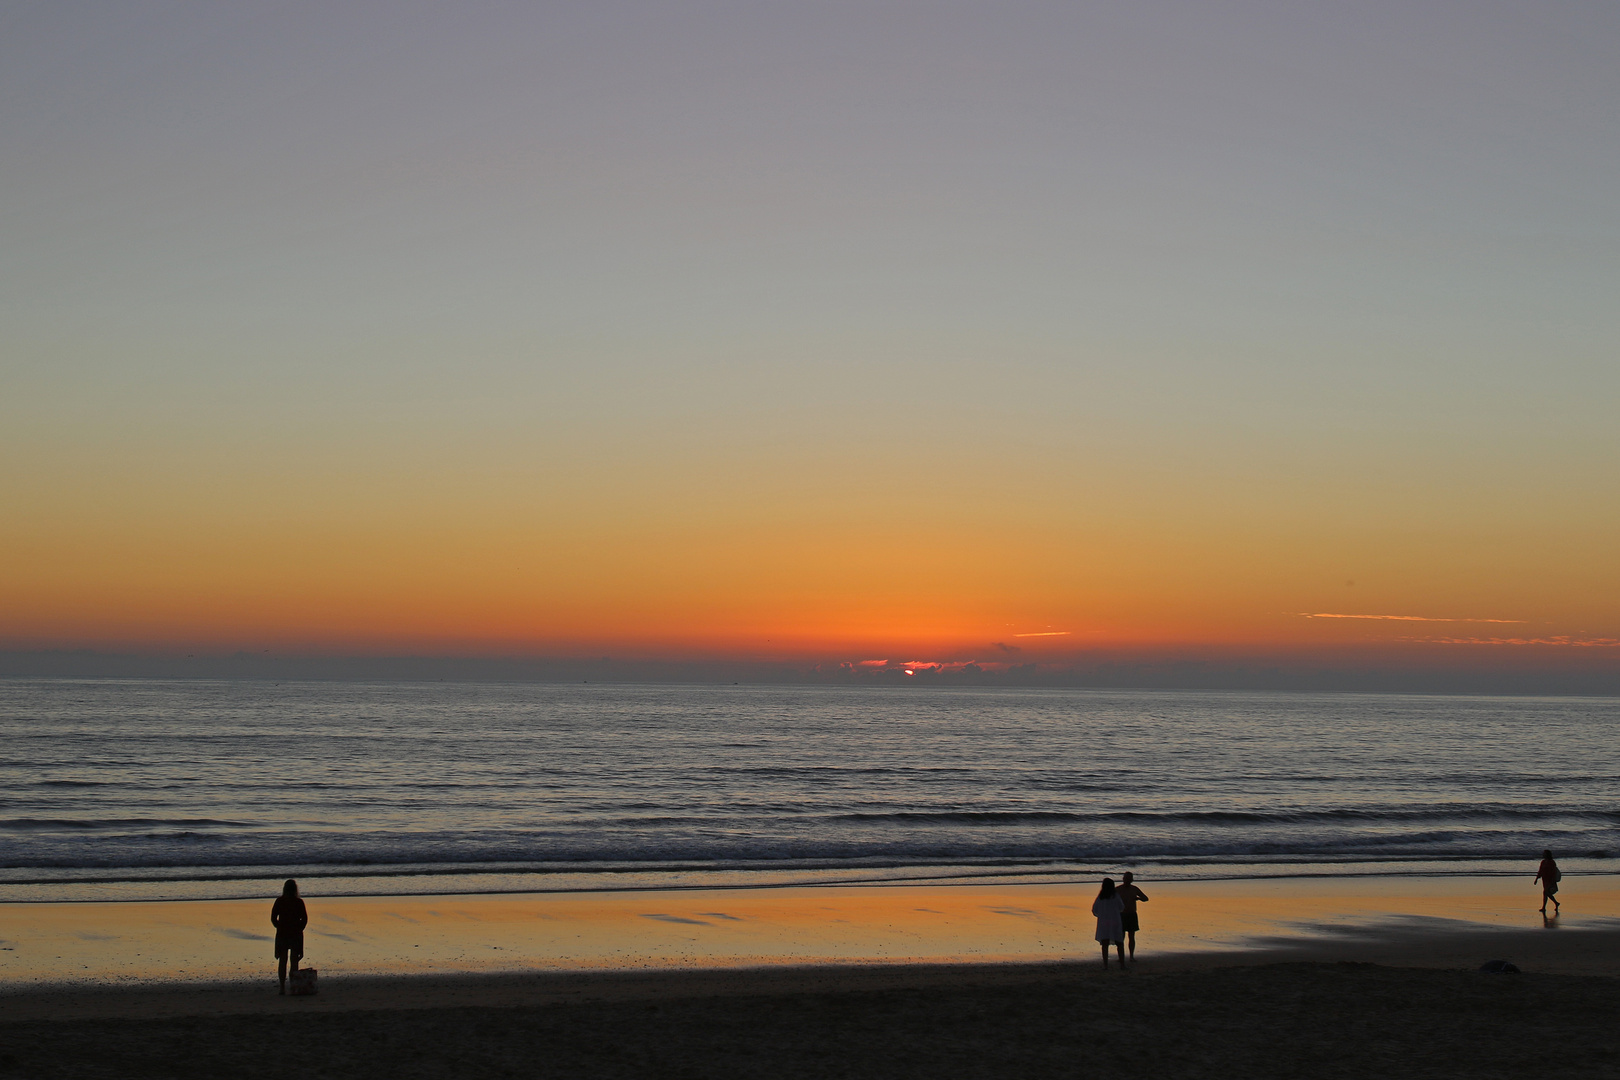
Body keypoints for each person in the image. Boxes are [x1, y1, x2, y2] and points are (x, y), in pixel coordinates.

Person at [270, 879, 309, 995]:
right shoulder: (299, 902)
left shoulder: (279, 901)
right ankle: (293, 986)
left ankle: (282, 987)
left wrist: (279, 926)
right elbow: (305, 919)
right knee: (294, 961)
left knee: (282, 960)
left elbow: (273, 918)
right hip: (295, 933)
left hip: (282, 933)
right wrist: (299, 929)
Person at [1092, 877, 1125, 969]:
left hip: (1104, 922)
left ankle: (1105, 965)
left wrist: (1101, 915)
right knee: (1119, 943)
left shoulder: (1100, 897)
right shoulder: (1116, 896)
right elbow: (1121, 907)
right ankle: (1122, 964)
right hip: (1115, 921)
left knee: (1105, 945)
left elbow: (1095, 910)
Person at [1116, 871, 1149, 961]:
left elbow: (1146, 898)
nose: (1127, 880)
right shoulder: (1118, 889)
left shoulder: (1134, 889)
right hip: (1122, 914)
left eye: (1129, 879)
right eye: (1125, 878)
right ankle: (1121, 957)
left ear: (1132, 880)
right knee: (1121, 937)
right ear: (1123, 879)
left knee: (1131, 936)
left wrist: (1138, 898)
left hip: (1132, 914)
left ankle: (1131, 956)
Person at [1534, 850, 1561, 914]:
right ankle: (1546, 907)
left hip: (1550, 880)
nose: (1543, 854)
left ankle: (1555, 903)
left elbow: (1553, 872)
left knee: (1546, 892)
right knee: (1546, 893)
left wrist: (1552, 881)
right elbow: (1540, 871)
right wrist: (1536, 879)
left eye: (1544, 853)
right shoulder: (1543, 862)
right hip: (1544, 879)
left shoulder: (1552, 862)